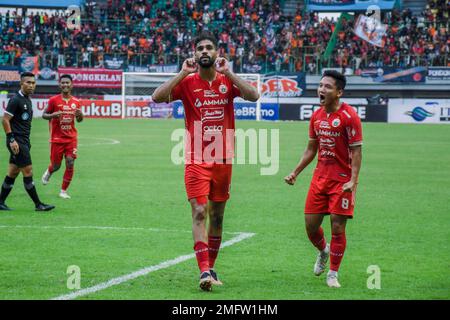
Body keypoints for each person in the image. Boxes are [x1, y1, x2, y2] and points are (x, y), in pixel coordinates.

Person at [152, 32, 259, 291]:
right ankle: (203, 272)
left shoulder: (226, 81)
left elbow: (254, 96)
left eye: (208, 47)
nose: (204, 51)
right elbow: (156, 97)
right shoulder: (187, 83)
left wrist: (231, 73)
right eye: (199, 47)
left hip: (223, 158)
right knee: (199, 211)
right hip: (196, 158)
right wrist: (181, 73)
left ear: (217, 52)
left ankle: (210, 267)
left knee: (218, 216)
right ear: (194, 53)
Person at [284, 70, 363, 288]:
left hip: (342, 181)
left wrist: (353, 181)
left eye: (327, 87)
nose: (321, 90)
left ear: (339, 92)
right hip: (320, 178)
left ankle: (333, 274)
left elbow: (356, 152)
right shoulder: (317, 116)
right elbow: (311, 149)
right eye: (320, 86)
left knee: (338, 227)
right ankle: (323, 251)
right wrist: (295, 172)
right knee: (310, 227)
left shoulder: (350, 117)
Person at [0, 72, 55, 212]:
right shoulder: (16, 100)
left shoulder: (27, 100)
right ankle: (38, 204)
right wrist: (11, 139)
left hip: (23, 141)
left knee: (13, 172)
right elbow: (5, 119)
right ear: (21, 84)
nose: (31, 85)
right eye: (28, 83)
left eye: (33, 83)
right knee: (28, 171)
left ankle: (0, 202)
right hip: (17, 142)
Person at [41, 74, 83, 199]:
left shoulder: (77, 102)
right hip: (56, 139)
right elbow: (44, 115)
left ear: (72, 85)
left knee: (70, 163)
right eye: (63, 83)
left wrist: (80, 115)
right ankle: (49, 172)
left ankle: (63, 191)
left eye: (67, 83)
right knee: (56, 166)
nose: (65, 85)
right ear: (60, 85)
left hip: (71, 138)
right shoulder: (53, 100)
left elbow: (79, 120)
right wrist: (53, 115)